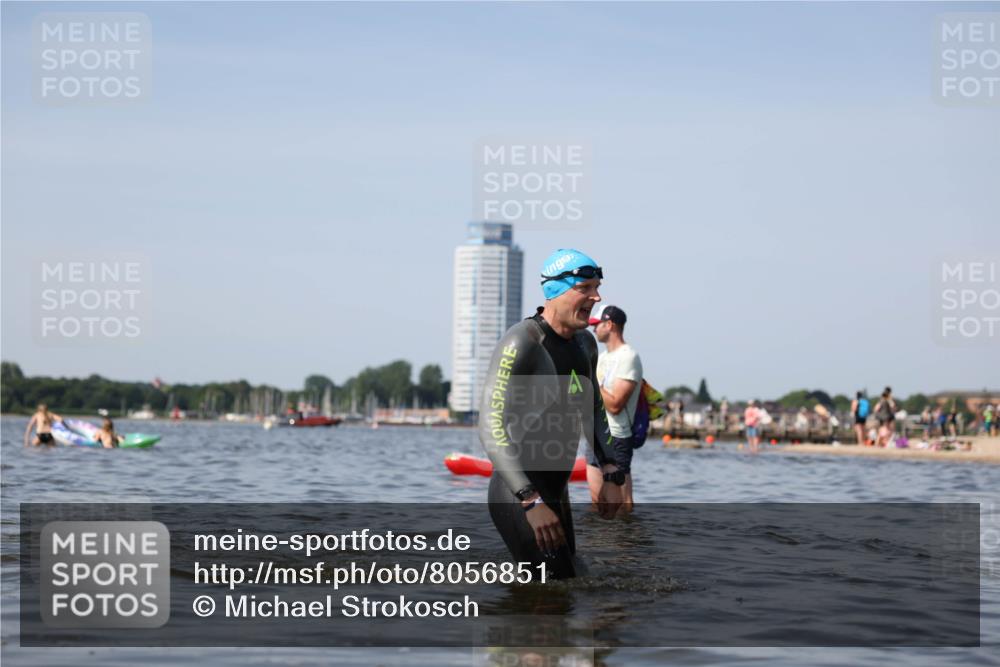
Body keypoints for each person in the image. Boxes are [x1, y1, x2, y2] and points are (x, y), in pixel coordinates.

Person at [480, 248, 625, 580]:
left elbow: (594, 410)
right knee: (548, 593)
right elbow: (490, 425)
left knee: (569, 583)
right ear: (557, 289)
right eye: (585, 288)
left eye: (597, 287)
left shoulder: (585, 344)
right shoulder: (523, 342)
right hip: (518, 491)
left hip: (556, 491)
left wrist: (611, 472)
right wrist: (529, 500)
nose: (596, 296)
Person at [586, 305, 643, 512]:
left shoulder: (628, 357)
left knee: (622, 506)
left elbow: (615, 404)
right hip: (594, 434)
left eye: (596, 324)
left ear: (609, 325)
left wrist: (590, 380)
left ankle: (626, 541)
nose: (593, 329)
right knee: (597, 504)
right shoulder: (601, 358)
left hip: (617, 437)